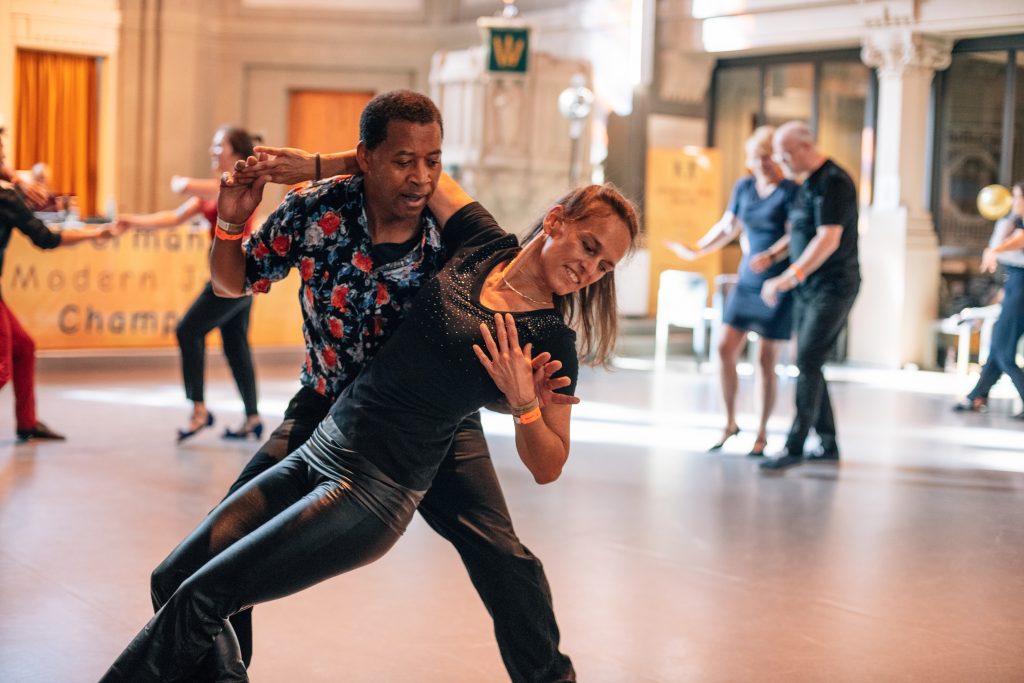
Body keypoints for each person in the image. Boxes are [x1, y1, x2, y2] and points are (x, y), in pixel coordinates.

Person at [99, 146, 639, 680]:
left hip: (400, 462)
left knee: (501, 557)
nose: (589, 270)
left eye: (605, 266)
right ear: (555, 221)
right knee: (186, 577)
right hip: (332, 420)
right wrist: (314, 166)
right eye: (589, 247)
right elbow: (418, 169)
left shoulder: (549, 339)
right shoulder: (480, 243)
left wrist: (523, 404)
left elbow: (549, 463)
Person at [172, 91, 579, 682]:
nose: (421, 177)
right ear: (367, 157)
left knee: (503, 558)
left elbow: (484, 349)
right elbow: (231, 284)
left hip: (433, 423)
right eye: (403, 161)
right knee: (224, 552)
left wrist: (521, 398)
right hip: (326, 407)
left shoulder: (449, 232)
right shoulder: (316, 210)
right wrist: (232, 221)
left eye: (432, 162)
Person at [115, 126, 263, 442]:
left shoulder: (240, 183)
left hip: (235, 274)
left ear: (236, 152)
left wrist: (181, 183)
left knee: (188, 330)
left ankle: (199, 410)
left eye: (218, 146)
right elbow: (174, 217)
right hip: (231, 276)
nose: (212, 151)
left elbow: (191, 187)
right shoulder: (214, 189)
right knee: (235, 344)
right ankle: (252, 417)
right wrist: (132, 222)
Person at [666, 126, 797, 456]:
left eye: (769, 156)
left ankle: (762, 433)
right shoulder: (744, 187)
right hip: (747, 280)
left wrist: (772, 256)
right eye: (758, 157)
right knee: (724, 348)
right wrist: (698, 248)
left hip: (777, 283)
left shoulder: (791, 191)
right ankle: (730, 423)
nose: (764, 163)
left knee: (766, 360)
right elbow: (728, 225)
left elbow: (795, 235)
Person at [0, 122, 114, 442]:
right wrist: (95, 234)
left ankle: (27, 422)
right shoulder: (7, 198)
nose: (6, 160)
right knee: (2, 369)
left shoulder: (9, 195)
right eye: (2, 155)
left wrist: (16, 178)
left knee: (24, 347)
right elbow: (47, 239)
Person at [758, 121, 860, 471]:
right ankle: (828, 443)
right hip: (809, 288)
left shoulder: (835, 182)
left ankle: (795, 446)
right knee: (809, 362)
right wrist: (772, 255)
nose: (782, 162)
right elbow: (800, 231)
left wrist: (788, 277)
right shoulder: (806, 184)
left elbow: (828, 239)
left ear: (806, 147)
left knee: (807, 361)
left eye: (785, 154)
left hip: (834, 286)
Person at [952, 181, 1024, 418]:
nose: (1013, 201)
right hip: (1013, 284)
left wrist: (996, 250)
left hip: (1021, 286)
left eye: (1017, 197)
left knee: (1003, 351)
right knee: (997, 349)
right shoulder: (1014, 220)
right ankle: (976, 396)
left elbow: (1019, 239)